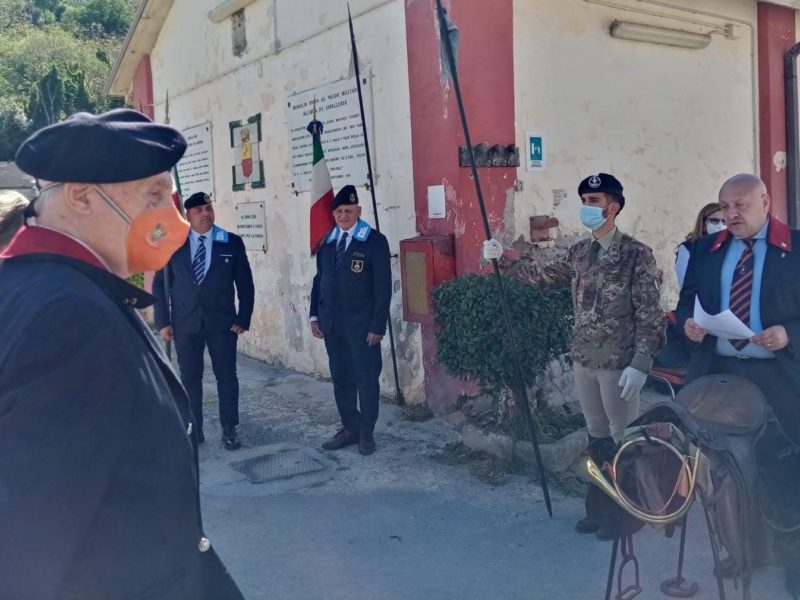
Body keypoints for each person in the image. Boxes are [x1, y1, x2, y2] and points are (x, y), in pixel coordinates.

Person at [0, 109, 243, 599]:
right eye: (154, 194)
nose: (171, 216)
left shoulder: (46, 286)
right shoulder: (69, 316)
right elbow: (28, 543)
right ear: (83, 197)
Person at [483, 172, 665, 539]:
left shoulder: (635, 255)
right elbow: (541, 278)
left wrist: (641, 363)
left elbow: (650, 313)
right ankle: (599, 511)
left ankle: (626, 517)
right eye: (583, 201)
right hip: (584, 360)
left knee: (622, 441)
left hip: (619, 364)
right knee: (596, 438)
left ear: (613, 207)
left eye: (593, 202)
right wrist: (504, 258)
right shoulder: (580, 252)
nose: (586, 208)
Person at [677, 173, 800, 594]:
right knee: (728, 468)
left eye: (740, 205)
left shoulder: (796, 248)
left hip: (781, 375)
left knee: (787, 467)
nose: (730, 214)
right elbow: (685, 304)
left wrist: (788, 335)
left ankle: (793, 556)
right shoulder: (705, 251)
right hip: (724, 376)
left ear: (765, 201)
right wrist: (690, 326)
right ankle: (739, 548)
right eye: (724, 206)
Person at [153, 191, 255, 451]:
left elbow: (245, 284)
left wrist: (243, 317)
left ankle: (230, 429)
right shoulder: (173, 243)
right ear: (187, 215)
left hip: (222, 323)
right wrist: (163, 322)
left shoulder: (230, 242)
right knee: (189, 377)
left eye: (208, 208)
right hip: (185, 323)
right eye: (198, 210)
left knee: (227, 376)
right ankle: (193, 428)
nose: (205, 214)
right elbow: (160, 285)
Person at [309, 185, 391, 455]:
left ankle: (367, 430)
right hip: (333, 325)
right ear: (333, 214)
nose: (344, 215)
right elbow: (319, 281)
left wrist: (378, 326)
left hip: (362, 326)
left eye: (349, 211)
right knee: (342, 378)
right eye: (339, 211)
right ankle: (349, 427)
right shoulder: (327, 243)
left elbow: (382, 288)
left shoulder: (374, 242)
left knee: (366, 378)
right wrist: (314, 315)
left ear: (359, 212)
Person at [675, 202, 725, 287]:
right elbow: (686, 285)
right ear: (703, 224)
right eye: (714, 221)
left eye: (724, 221)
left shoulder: (732, 248)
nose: (721, 225)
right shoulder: (688, 249)